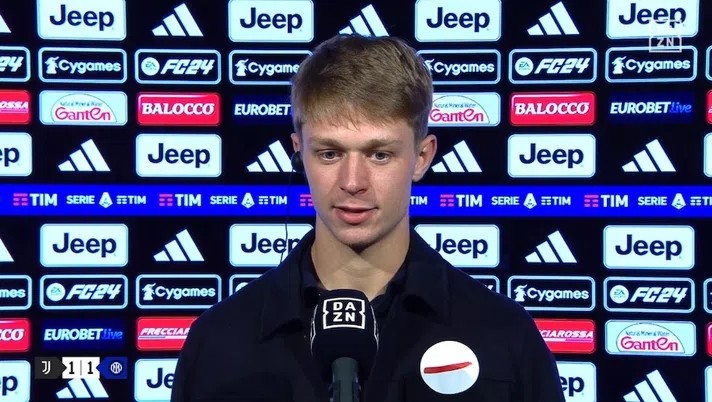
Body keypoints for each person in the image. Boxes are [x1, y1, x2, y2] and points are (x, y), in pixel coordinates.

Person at [170, 34, 565, 402]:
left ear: (422, 157)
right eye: (330, 153)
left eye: (379, 155)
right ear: (299, 152)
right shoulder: (219, 343)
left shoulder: (505, 337)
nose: (353, 182)